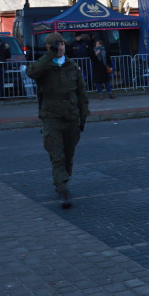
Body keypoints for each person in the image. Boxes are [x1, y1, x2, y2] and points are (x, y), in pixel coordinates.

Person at [26, 32, 89, 208]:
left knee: (68, 156)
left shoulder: (72, 66)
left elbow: (81, 94)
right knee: (57, 156)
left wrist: (83, 116)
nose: (60, 47)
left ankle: (63, 179)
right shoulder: (44, 65)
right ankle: (62, 189)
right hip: (51, 116)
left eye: (62, 44)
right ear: (48, 47)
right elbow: (32, 72)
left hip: (71, 116)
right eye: (56, 45)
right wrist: (49, 56)